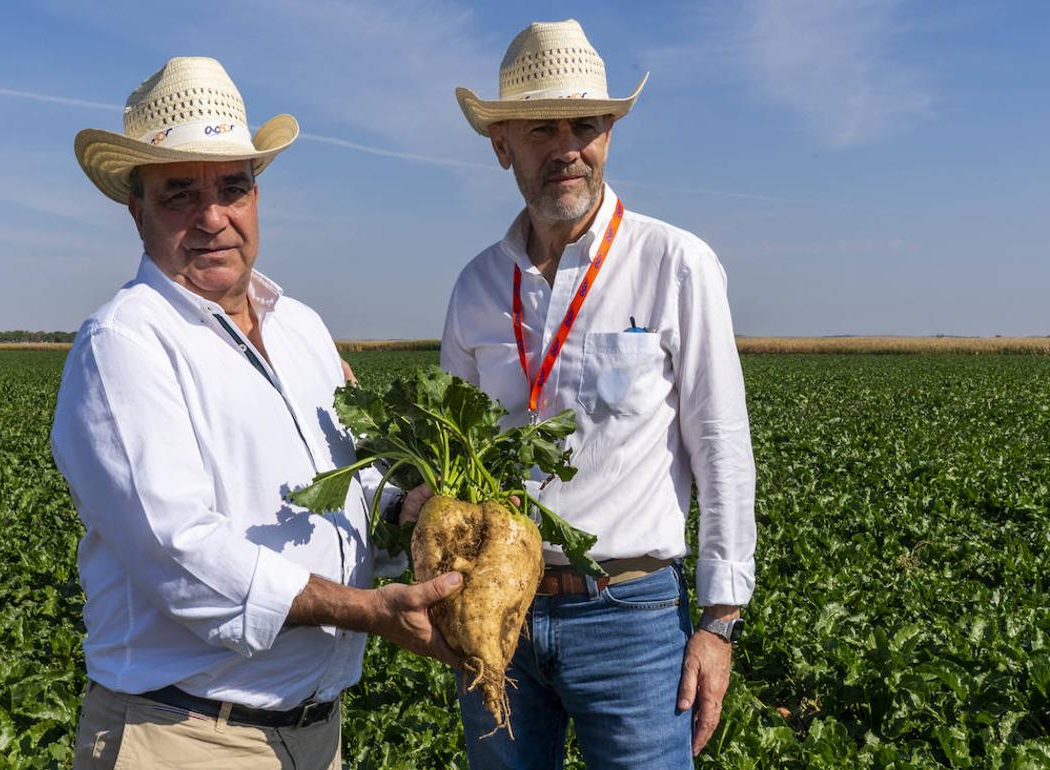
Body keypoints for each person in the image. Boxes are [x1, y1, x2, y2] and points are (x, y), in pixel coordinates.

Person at [52, 56, 460, 770]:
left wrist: (411, 511)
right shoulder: (127, 342)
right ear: (135, 207)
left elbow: (353, 483)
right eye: (180, 193)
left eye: (232, 187)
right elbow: (181, 549)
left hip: (316, 735)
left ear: (256, 194)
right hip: (186, 735)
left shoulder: (301, 326)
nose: (214, 217)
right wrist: (362, 609)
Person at [409, 20, 758, 768]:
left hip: (629, 614)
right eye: (542, 128)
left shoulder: (675, 264)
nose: (568, 147)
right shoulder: (475, 286)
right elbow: (449, 457)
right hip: (494, 608)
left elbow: (722, 445)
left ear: (609, 136)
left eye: (587, 125)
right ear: (503, 146)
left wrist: (720, 623)